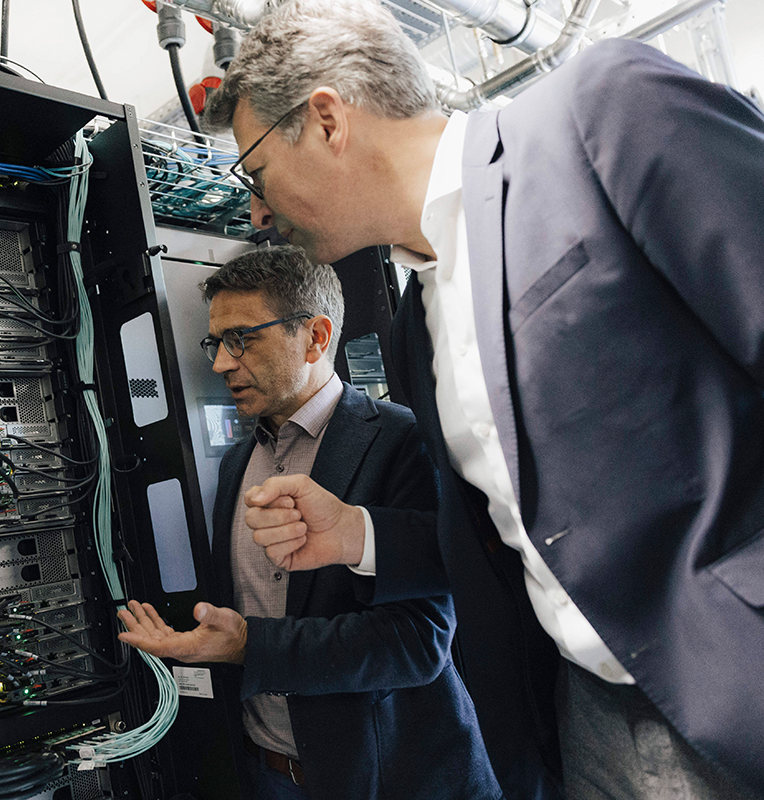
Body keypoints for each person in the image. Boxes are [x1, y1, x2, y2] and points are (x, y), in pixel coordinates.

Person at [200, 1, 764, 799]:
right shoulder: (417, 325)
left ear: (327, 120)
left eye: (256, 174)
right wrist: (357, 533)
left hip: (736, 683)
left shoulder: (600, 114)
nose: (257, 210)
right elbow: (503, 539)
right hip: (581, 717)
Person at [117, 246, 500, 800]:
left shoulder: (401, 441)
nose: (221, 363)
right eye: (215, 343)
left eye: (240, 339)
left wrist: (250, 646)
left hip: (388, 777)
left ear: (316, 337)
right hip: (266, 772)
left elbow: (417, 643)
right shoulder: (236, 464)